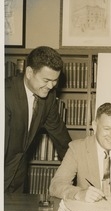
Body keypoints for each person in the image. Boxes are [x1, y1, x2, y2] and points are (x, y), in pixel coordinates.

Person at [5, 46, 72, 193]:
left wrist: (77, 167)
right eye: (46, 80)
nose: (51, 86)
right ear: (29, 72)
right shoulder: (5, 94)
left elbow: (61, 137)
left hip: (17, 180)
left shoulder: (47, 98)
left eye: (55, 80)